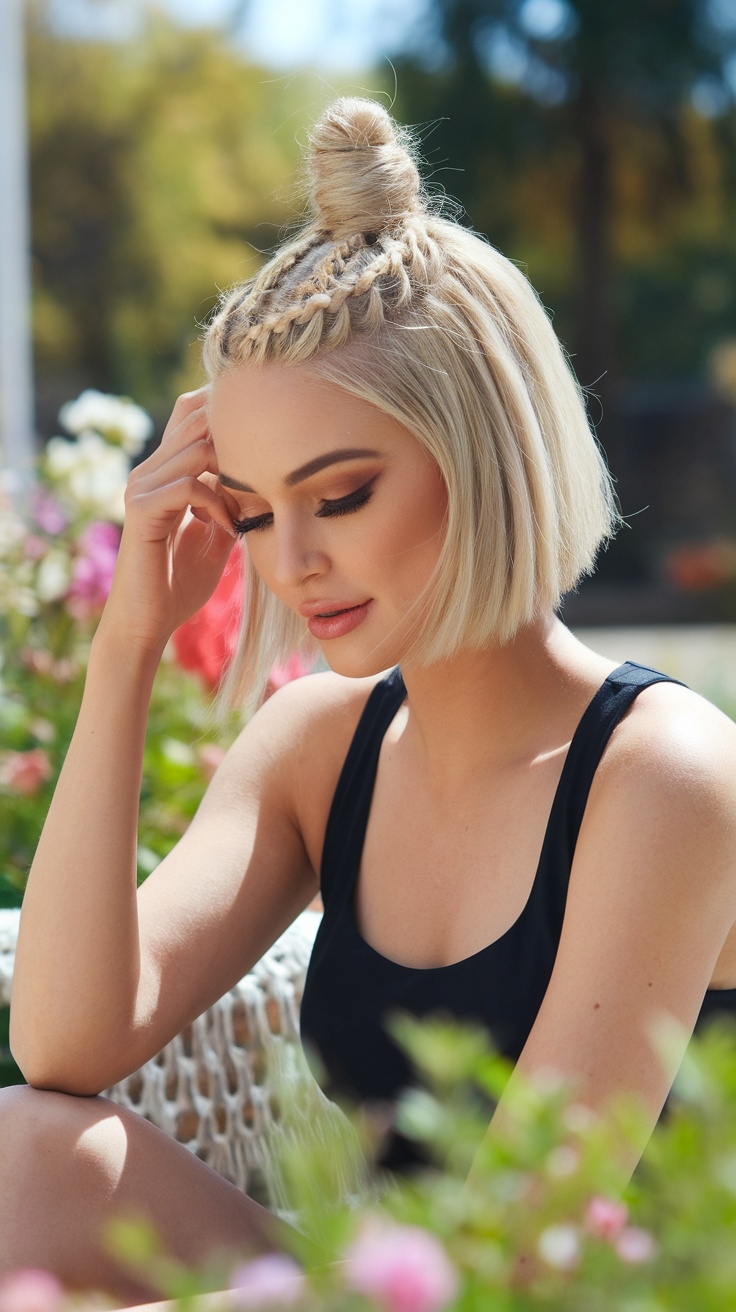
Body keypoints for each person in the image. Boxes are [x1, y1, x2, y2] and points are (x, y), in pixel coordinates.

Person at [2, 95, 736, 1301]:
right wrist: (129, 642)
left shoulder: (665, 779)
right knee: (25, 1157)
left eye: (337, 495)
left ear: (482, 451)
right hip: (387, 1290)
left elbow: (519, 1248)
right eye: (249, 509)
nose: (288, 561)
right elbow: (65, 1044)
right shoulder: (317, 748)